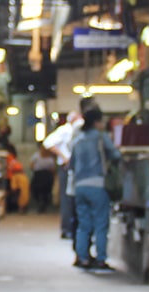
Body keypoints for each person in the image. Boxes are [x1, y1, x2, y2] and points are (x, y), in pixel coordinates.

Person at [69, 107, 120, 271]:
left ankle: (83, 258)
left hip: (79, 186)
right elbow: (115, 155)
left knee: (83, 224)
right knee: (100, 224)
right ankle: (100, 259)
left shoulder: (77, 139)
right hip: (98, 184)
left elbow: (71, 164)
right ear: (97, 122)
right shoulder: (100, 137)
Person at [44, 109, 83, 240]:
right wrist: (64, 156)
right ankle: (67, 228)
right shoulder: (65, 130)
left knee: (75, 198)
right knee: (67, 198)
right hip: (66, 167)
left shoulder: (78, 131)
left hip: (76, 167)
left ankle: (74, 228)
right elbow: (48, 143)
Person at [29, 144, 57, 211]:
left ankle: (44, 204)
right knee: (35, 189)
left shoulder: (50, 158)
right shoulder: (36, 156)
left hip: (46, 176)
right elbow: (31, 166)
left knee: (46, 191)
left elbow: (53, 169)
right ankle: (40, 203)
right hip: (38, 175)